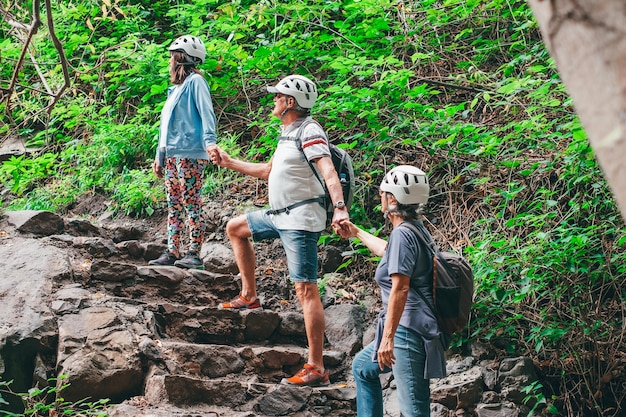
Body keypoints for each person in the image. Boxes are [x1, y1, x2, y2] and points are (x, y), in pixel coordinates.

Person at [209, 74, 350, 386]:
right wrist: (230, 162)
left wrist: (340, 208)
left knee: (305, 289)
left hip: (300, 220)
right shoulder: (289, 132)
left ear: (290, 102)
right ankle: (249, 296)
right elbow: (269, 171)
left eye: (277, 96)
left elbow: (327, 170)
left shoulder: (310, 130)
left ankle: (316, 366)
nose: (273, 100)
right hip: (280, 215)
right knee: (236, 228)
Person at [338, 165, 448, 417]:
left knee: (414, 410)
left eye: (382, 193)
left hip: (406, 332)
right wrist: (356, 232)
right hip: (413, 327)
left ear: (393, 199)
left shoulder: (403, 235)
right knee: (363, 368)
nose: (380, 197)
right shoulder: (414, 230)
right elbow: (387, 251)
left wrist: (388, 338)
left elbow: (401, 288)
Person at [148, 35, 217, 270]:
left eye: (171, 57)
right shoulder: (175, 90)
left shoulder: (196, 82)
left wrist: (210, 143)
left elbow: (207, 114)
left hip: (190, 153)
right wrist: (160, 156)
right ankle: (172, 250)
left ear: (181, 58)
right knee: (174, 203)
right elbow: (166, 126)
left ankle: (194, 253)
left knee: (190, 202)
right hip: (173, 155)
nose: (169, 62)